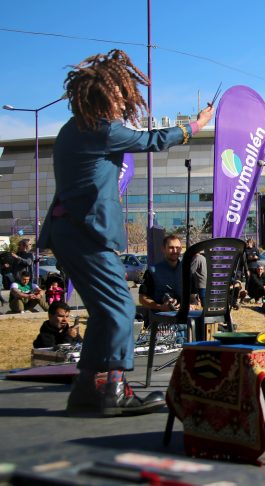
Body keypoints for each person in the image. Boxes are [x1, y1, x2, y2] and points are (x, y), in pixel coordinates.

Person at [37, 49, 213, 417]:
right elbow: (152, 141)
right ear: (107, 94)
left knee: (103, 311)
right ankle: (114, 389)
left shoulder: (72, 129)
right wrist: (195, 126)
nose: (124, 103)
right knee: (118, 308)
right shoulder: (100, 129)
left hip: (68, 232)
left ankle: (86, 389)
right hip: (86, 234)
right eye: (121, 95)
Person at [139, 235, 184, 314]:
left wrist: (192, 305)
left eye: (177, 248)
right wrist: (160, 307)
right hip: (161, 320)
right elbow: (142, 298)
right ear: (163, 249)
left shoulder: (187, 271)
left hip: (183, 320)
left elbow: (194, 298)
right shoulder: (152, 271)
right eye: (171, 247)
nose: (175, 251)